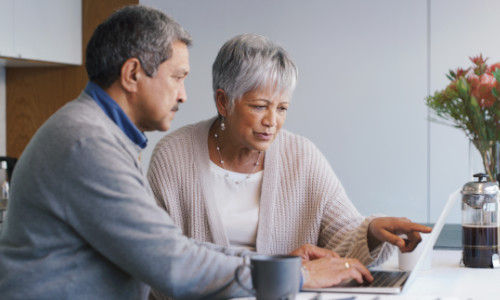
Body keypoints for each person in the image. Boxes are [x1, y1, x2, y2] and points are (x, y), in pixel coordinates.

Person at [0, 6, 377, 300]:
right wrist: (296, 275)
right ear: (133, 74)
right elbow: (172, 265)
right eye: (177, 77)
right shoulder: (88, 144)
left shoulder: (99, 134)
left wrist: (279, 265)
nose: (183, 94)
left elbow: (174, 248)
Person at [148, 34, 431, 271]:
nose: (272, 121)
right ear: (224, 102)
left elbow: (342, 238)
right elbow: (159, 260)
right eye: (260, 106)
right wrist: (277, 269)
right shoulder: (173, 157)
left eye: (282, 108)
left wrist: (370, 233)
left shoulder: (302, 156)